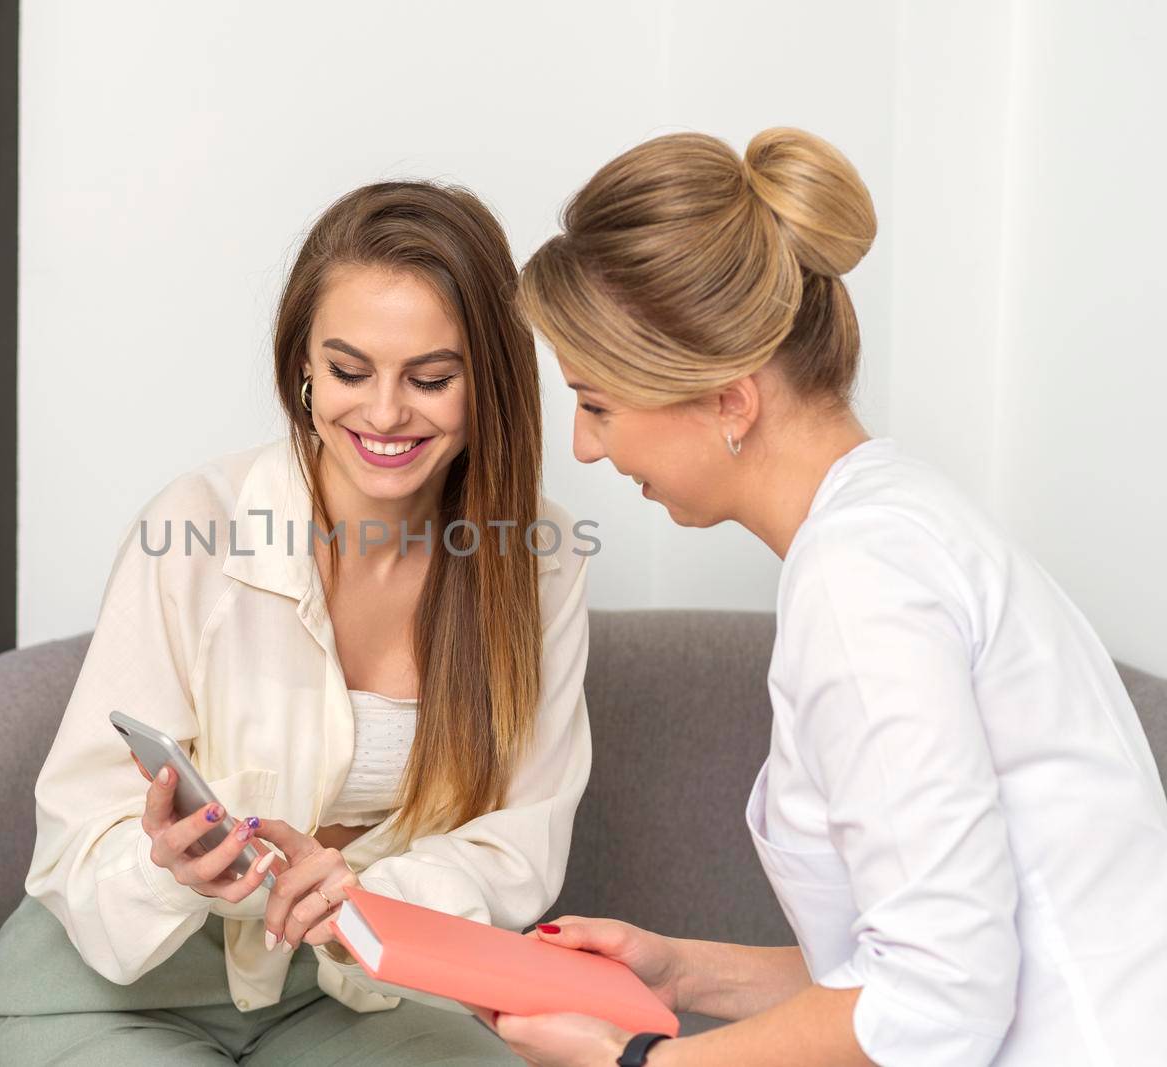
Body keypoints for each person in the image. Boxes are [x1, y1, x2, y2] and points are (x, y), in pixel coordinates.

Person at [486, 127, 1167, 1066]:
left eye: (596, 402)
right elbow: (915, 958)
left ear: (730, 400)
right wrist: (679, 971)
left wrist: (630, 1064)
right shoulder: (892, 523)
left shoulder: (862, 581)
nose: (584, 448)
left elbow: (937, 1002)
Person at [0, 180, 593, 1064]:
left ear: (487, 378)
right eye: (348, 371)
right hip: (121, 994)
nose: (383, 414)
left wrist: (365, 900)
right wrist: (169, 866)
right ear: (301, 365)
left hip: (363, 996)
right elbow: (80, 831)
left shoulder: (540, 557)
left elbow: (522, 832)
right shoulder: (194, 528)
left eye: (431, 378)